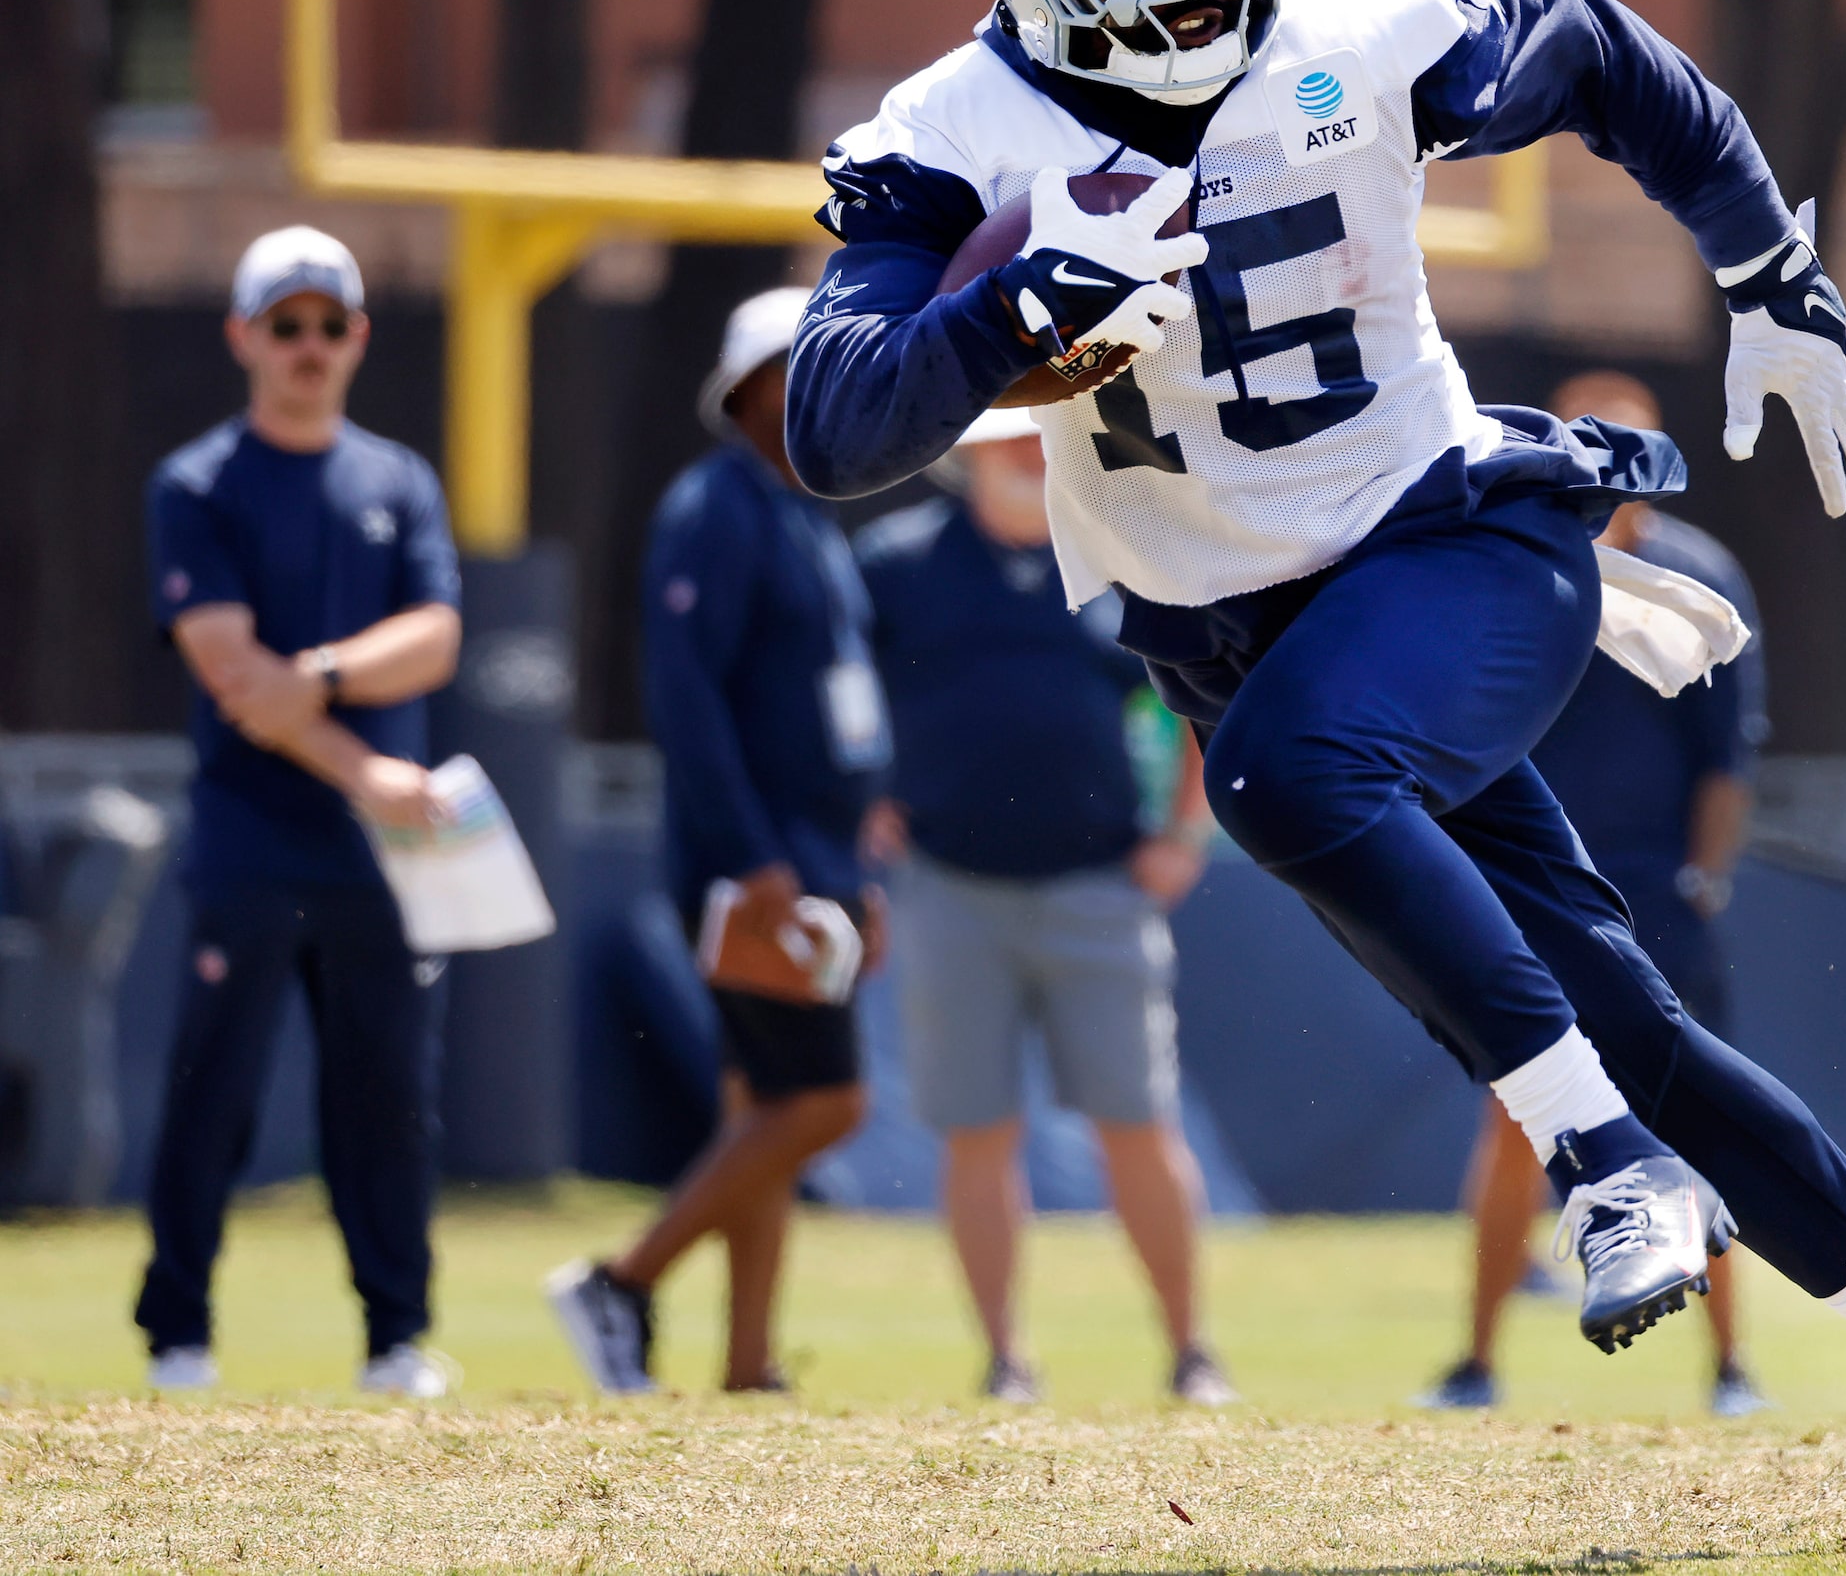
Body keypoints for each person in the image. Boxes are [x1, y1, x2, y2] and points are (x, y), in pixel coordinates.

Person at [785, 0, 1846, 1544]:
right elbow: (838, 424)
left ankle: (1605, 1168)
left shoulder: (1363, 23)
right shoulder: (952, 139)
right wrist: (1009, 319)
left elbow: (1609, 51)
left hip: (1455, 545)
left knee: (1294, 784)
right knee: (1626, 1018)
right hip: (1246, 630)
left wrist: (1770, 266)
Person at [138, 225, 462, 1399]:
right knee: (213, 1089)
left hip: (381, 856)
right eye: (287, 324)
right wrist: (359, 760)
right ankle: (177, 1331)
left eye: (330, 324)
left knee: (385, 1098)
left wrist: (319, 678)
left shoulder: (397, 480)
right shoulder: (197, 484)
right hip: (251, 841)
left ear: (359, 337)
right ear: (243, 337)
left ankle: (396, 1337)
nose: (310, 345)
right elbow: (233, 678)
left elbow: (431, 641)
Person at [546, 288, 889, 1395]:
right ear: (744, 391)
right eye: (794, 374)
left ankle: (745, 1362)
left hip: (814, 859)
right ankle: (621, 1281)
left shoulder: (803, 511)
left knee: (764, 1109)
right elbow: (686, 703)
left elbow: (831, 710)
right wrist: (758, 864)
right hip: (755, 863)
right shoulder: (713, 509)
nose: (814, 395)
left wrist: (853, 873)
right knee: (825, 1102)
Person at [856, 407, 1232, 1406]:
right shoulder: (893, 564)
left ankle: (1192, 1354)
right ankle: (1004, 1360)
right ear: (968, 451)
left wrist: (1184, 835)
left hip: (1097, 888)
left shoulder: (1116, 556)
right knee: (976, 1132)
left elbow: (1197, 700)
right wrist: (862, 805)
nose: (1026, 451)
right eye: (1006, 437)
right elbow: (841, 695)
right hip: (948, 885)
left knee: (1138, 1124)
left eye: (1040, 435)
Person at [1419, 370, 1770, 1419]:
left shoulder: (1699, 573)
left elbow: (1725, 759)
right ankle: (1475, 1363)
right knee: (1516, 1114)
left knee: (1701, 1117)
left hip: (1652, 896)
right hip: (1528, 886)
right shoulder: (1517, 564)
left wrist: (1703, 879)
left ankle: (1728, 1367)